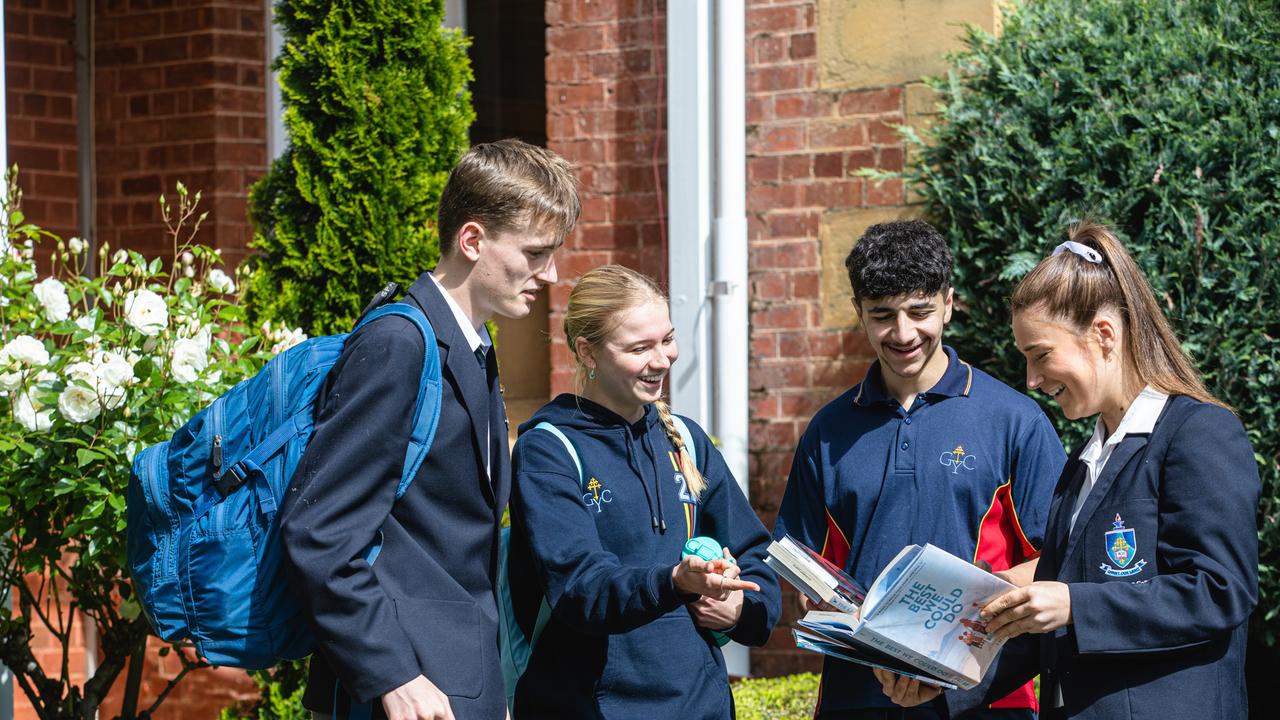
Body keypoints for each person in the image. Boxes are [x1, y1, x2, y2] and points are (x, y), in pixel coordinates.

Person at [874, 222, 1260, 720]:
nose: (1033, 380)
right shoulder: (1081, 463)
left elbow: (1220, 591)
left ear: (1103, 334)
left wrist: (1076, 605)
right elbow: (1042, 629)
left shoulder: (1200, 432)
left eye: (1041, 355)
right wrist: (943, 684)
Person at [279, 139, 581, 720]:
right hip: (405, 693)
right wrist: (392, 674)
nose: (551, 273)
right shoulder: (399, 342)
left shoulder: (471, 344)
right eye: (536, 252)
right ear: (472, 241)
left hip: (455, 678)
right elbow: (319, 531)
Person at [773, 220, 1066, 719]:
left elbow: (1060, 559)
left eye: (920, 311)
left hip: (986, 698)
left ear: (948, 304)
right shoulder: (827, 430)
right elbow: (801, 563)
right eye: (883, 315)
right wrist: (814, 601)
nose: (903, 333)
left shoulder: (1014, 420)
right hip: (857, 698)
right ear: (858, 314)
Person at [506, 264, 781, 718]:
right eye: (640, 348)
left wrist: (739, 609)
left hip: (703, 707)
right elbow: (580, 588)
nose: (663, 359)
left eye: (667, 339)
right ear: (587, 353)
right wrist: (674, 582)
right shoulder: (549, 450)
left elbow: (755, 553)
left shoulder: (686, 441)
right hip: (587, 707)